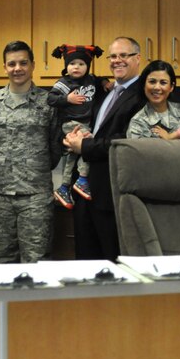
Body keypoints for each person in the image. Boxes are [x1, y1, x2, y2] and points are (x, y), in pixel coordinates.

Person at [65, 36, 146, 261]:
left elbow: (127, 141)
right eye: (113, 56)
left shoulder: (142, 94)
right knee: (86, 263)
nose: (117, 61)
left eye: (124, 55)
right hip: (86, 190)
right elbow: (101, 131)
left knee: (112, 263)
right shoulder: (105, 91)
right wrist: (78, 137)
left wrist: (85, 146)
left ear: (138, 58)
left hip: (113, 194)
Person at [0, 41, 61, 263]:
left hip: (35, 197)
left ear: (33, 65)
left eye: (23, 63)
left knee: (37, 262)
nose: (17, 68)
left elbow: (55, 148)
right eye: (12, 63)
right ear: (4, 67)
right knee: (3, 261)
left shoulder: (48, 103)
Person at [47, 44, 109, 209]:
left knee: (73, 156)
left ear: (87, 66)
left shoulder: (90, 79)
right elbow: (51, 99)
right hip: (71, 123)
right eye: (72, 63)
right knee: (88, 145)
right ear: (66, 66)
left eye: (81, 64)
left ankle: (64, 187)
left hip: (85, 123)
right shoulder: (64, 82)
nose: (76, 67)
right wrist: (67, 99)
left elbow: (99, 79)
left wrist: (105, 82)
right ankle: (82, 179)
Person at [126, 60, 180, 140]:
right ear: (144, 85)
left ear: (172, 87)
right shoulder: (137, 123)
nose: (157, 87)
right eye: (152, 82)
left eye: (163, 83)